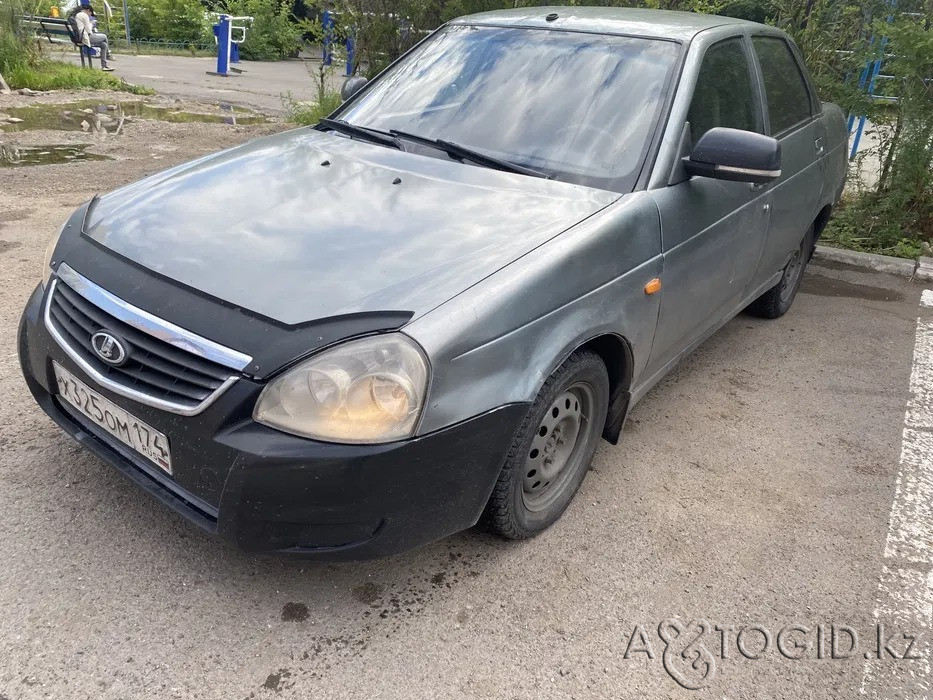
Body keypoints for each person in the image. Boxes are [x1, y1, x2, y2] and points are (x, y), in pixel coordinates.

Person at [73, 5, 113, 71]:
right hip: (85, 38)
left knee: (104, 45)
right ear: (88, 10)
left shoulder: (78, 15)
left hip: (80, 37)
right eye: (90, 13)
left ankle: (104, 65)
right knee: (104, 36)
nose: (90, 15)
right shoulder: (84, 15)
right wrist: (91, 23)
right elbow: (89, 30)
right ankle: (108, 55)